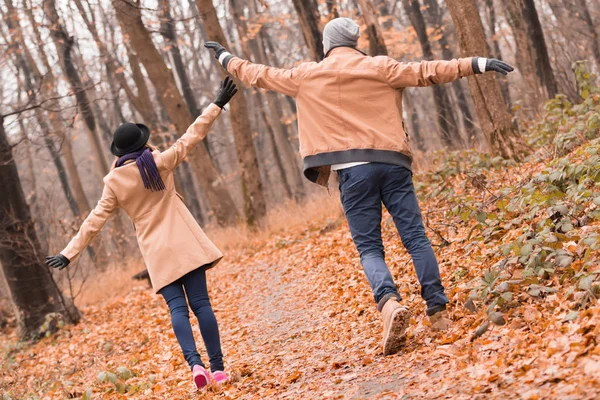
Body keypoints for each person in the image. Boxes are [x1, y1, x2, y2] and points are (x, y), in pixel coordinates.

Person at [205, 18, 514, 356]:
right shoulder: (380, 67)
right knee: (415, 238)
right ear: (354, 43)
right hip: (393, 164)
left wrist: (224, 57)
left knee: (370, 249)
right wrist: (478, 63)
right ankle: (438, 312)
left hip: (353, 173)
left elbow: (258, 74)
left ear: (328, 45)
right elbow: (429, 70)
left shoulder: (307, 75)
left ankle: (389, 302)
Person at [45, 78, 238, 389]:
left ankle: (195, 366)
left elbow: (94, 220)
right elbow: (193, 136)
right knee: (201, 304)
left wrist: (68, 253)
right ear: (143, 142)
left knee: (177, 309)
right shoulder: (160, 162)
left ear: (119, 151)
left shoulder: (114, 183)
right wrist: (217, 103)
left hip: (157, 251)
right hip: (184, 241)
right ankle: (217, 369)